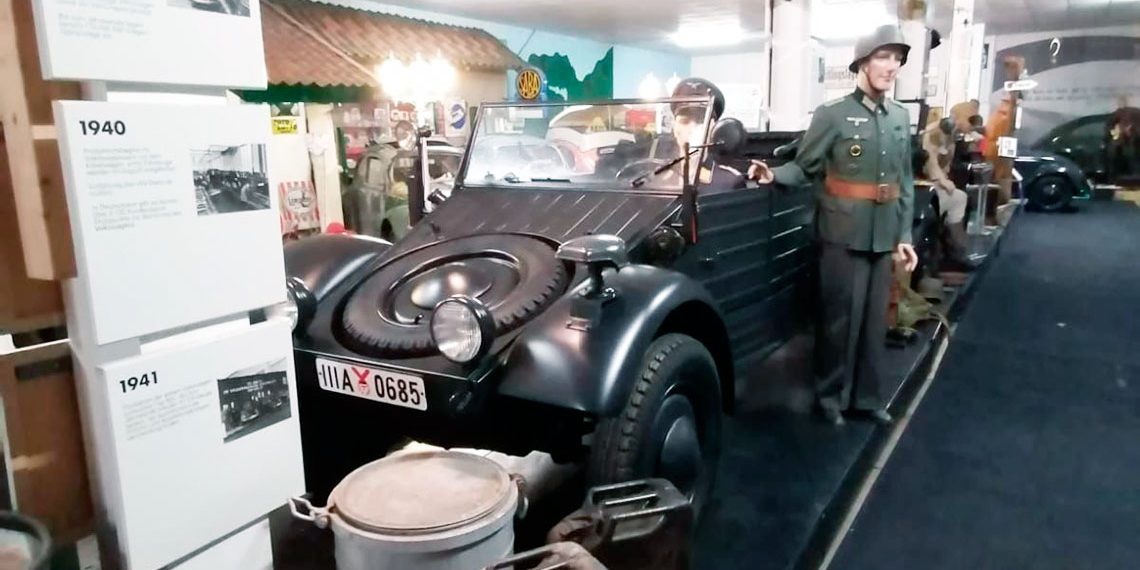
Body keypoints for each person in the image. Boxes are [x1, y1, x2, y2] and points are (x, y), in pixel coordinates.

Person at [748, 25, 917, 426]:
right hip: (842, 231)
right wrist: (773, 175)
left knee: (874, 322)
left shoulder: (899, 115)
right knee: (839, 320)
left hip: (883, 232)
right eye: (883, 56)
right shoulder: (833, 115)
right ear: (862, 62)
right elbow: (804, 167)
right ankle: (830, 397)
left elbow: (905, 182)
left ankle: (867, 398)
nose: (891, 66)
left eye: (896, 58)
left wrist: (904, 235)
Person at [922, 116, 976, 272]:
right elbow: (930, 163)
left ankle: (955, 250)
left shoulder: (949, 136)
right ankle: (957, 251)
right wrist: (942, 181)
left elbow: (945, 163)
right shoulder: (930, 136)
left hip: (936, 181)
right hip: (927, 184)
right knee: (958, 198)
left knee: (960, 197)